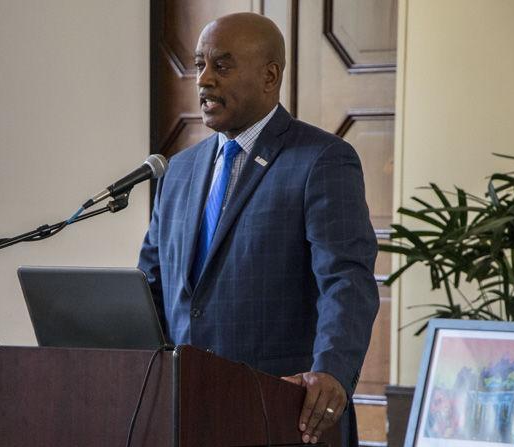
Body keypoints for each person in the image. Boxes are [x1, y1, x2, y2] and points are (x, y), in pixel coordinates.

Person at [138, 12, 379, 446]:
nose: (204, 79)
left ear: (270, 76)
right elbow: (152, 284)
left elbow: (346, 279)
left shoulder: (320, 160)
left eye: (222, 65)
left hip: (281, 413)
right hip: (183, 414)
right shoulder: (178, 171)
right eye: (199, 65)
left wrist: (332, 371)